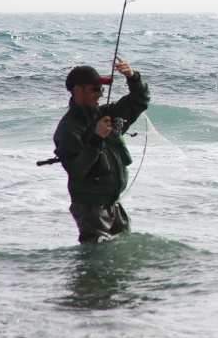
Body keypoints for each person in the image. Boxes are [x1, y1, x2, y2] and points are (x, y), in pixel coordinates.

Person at [53, 56, 150, 244]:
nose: (100, 94)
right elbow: (77, 171)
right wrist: (97, 138)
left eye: (102, 89)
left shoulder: (107, 114)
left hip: (113, 203)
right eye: (95, 89)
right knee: (94, 258)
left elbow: (140, 100)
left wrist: (133, 77)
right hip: (90, 207)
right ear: (78, 90)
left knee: (123, 256)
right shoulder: (68, 128)